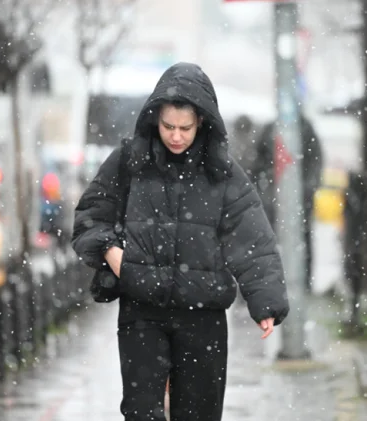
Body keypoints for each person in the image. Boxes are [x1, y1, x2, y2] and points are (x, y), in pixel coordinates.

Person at [71, 62, 289, 421]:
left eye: (185, 127)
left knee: (199, 414)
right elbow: (89, 217)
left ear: (202, 122)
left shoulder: (224, 174)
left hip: (203, 316)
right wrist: (113, 254)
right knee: (142, 413)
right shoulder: (129, 161)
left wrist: (266, 302)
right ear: (154, 119)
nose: (176, 136)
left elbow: (252, 240)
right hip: (142, 312)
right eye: (168, 126)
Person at [250, 115, 324, 292]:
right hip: (272, 199)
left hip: (299, 200)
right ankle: (268, 282)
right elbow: (257, 164)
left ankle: (302, 283)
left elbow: (315, 162)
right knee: (268, 240)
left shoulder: (305, 129)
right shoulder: (271, 128)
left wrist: (306, 189)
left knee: (302, 239)